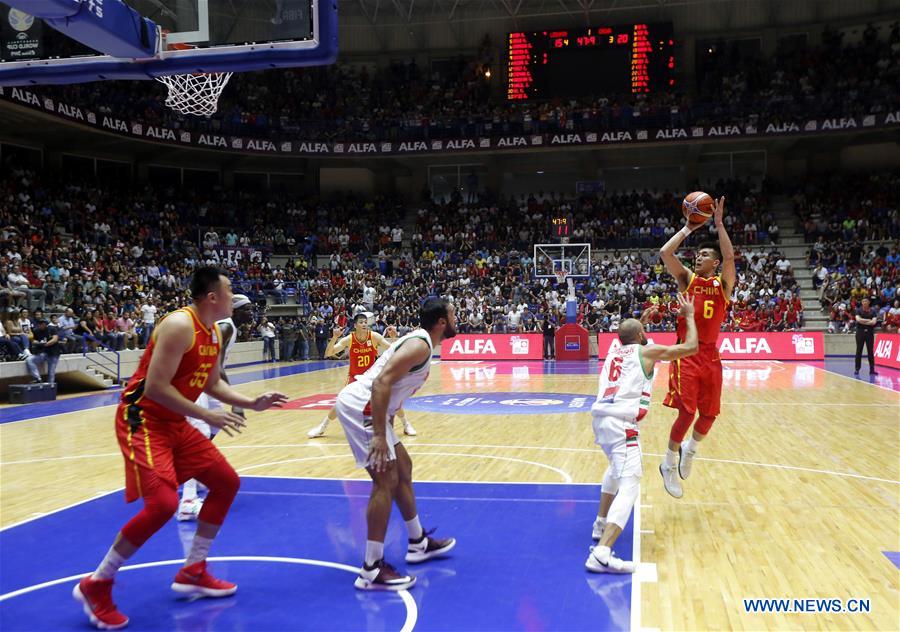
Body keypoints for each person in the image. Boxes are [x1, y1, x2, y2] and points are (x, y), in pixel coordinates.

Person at [73, 268, 287, 630]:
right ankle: (98, 583)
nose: (234, 294)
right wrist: (206, 415)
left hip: (174, 422)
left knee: (225, 482)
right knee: (163, 504)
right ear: (212, 297)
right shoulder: (178, 325)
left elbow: (213, 383)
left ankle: (194, 569)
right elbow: (155, 388)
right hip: (143, 419)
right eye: (229, 288)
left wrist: (251, 402)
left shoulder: (213, 333)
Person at [335, 298, 457, 590]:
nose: (457, 319)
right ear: (441, 321)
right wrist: (379, 434)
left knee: (403, 466)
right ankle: (371, 569)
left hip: (374, 408)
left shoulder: (422, 343)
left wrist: (387, 423)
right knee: (385, 480)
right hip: (362, 406)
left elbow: (388, 387)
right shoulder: (421, 345)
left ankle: (418, 542)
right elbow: (380, 384)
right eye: (453, 315)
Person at [587, 296, 698, 573]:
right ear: (640, 335)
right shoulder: (646, 352)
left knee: (615, 468)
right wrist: (690, 316)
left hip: (600, 420)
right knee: (631, 483)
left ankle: (601, 523)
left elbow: (629, 336)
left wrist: (642, 322)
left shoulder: (613, 350)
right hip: (621, 423)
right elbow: (691, 347)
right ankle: (602, 553)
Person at [657, 196, 735, 499]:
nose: (698, 257)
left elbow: (730, 259)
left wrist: (718, 224)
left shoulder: (722, 286)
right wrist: (689, 227)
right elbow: (666, 252)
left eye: (704, 255)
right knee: (687, 413)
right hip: (687, 352)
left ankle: (691, 449)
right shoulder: (687, 280)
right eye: (697, 254)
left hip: (711, 355)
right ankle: (668, 462)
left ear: (713, 263)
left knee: (709, 415)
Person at [177, 294, 256, 521]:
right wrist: (235, 401)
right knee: (199, 433)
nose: (251, 313)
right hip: (194, 379)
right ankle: (188, 501)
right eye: (247, 309)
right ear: (235, 310)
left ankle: (196, 470)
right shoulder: (225, 327)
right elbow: (213, 363)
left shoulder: (230, 327)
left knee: (216, 423)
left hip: (204, 380)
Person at [308, 314, 416, 438]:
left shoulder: (374, 337)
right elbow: (328, 353)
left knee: (392, 399)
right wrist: (334, 337)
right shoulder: (349, 339)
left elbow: (395, 350)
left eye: (365, 322)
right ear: (355, 325)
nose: (364, 324)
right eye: (361, 322)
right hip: (355, 377)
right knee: (340, 403)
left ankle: (406, 425)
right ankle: (322, 427)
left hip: (373, 377)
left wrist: (393, 338)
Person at [25, 318, 62, 384]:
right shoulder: (36, 331)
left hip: (53, 353)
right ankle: (37, 378)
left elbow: (55, 339)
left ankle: (51, 386)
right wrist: (37, 342)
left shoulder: (52, 329)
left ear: (46, 324)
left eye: (43, 323)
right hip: (43, 353)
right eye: (40, 324)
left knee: (51, 372)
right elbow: (33, 340)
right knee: (30, 360)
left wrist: (45, 344)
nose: (42, 325)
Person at [853, 297, 879, 377]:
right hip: (860, 332)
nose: (864, 302)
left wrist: (863, 320)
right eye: (863, 301)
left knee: (870, 351)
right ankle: (857, 369)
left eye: (866, 301)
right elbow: (858, 320)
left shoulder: (873, 310)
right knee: (859, 350)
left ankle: (872, 370)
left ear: (869, 302)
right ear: (861, 302)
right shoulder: (858, 310)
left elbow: (874, 322)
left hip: (870, 333)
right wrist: (868, 321)